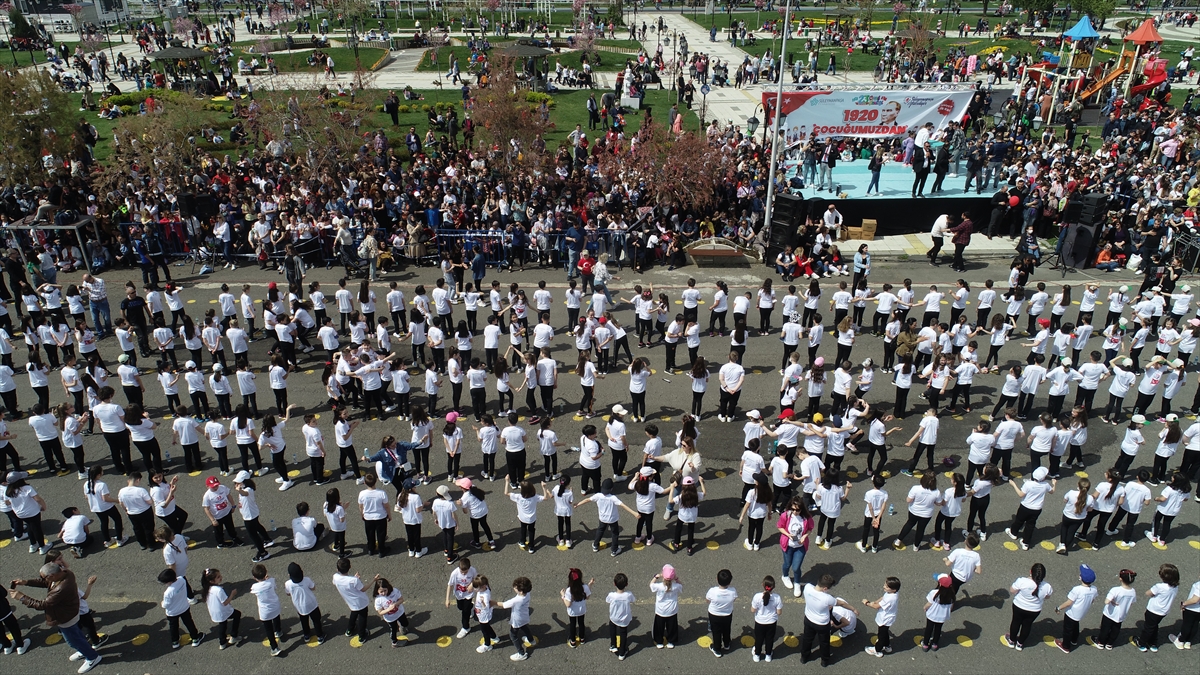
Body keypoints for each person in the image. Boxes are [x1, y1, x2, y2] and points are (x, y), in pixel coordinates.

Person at [9, 562, 103, 672]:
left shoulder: (60, 589)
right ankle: (85, 650)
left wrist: (21, 597)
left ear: (52, 576)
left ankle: (92, 657)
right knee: (77, 635)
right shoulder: (66, 574)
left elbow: (42, 605)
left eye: (43, 577)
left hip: (65, 618)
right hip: (70, 613)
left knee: (72, 641)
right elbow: (45, 583)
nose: (42, 579)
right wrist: (26, 582)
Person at [800, 574, 857, 666]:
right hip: (822, 624)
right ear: (825, 588)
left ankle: (804, 657)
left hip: (808, 619)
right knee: (824, 642)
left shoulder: (807, 587)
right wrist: (853, 609)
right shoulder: (827, 598)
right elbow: (841, 604)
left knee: (807, 639)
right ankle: (824, 660)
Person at [1004, 562, 1053, 650]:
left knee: (1016, 622)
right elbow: (1047, 596)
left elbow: (1012, 590)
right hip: (1034, 610)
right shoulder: (1047, 586)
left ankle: (1011, 641)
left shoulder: (1022, 581)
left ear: (1030, 571)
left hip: (1019, 606)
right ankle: (1020, 644)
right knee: (1027, 625)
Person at [1054, 564, 1098, 653]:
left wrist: (1059, 608)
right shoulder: (1094, 589)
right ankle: (1074, 640)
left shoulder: (1077, 589)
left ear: (1081, 578)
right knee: (1075, 625)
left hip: (1072, 613)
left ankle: (1065, 646)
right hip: (1081, 613)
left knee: (1068, 629)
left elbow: (1069, 602)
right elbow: (1092, 600)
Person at [1093, 568, 1137, 649]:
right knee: (1115, 629)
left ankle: (1101, 642)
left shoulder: (1115, 590)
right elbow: (1131, 603)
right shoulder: (1133, 591)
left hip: (1110, 613)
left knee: (1105, 628)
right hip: (1121, 614)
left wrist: (1112, 601)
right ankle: (1110, 643)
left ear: (1120, 579)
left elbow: (1106, 602)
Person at [496, 576, 533, 661]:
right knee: (524, 627)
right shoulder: (527, 594)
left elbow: (504, 605)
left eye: (515, 588)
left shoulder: (517, 600)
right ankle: (531, 640)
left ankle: (521, 653)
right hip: (524, 616)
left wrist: (493, 603)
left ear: (520, 591)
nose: (514, 588)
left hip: (517, 619)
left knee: (513, 635)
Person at [862, 576, 900, 658]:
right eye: (885, 584)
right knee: (885, 632)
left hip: (885, 619)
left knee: (881, 635)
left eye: (886, 586)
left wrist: (867, 603)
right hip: (889, 617)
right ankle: (887, 645)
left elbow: (876, 607)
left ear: (893, 589)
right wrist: (875, 601)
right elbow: (883, 597)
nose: (884, 587)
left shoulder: (890, 599)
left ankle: (877, 650)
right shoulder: (893, 593)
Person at [751, 576, 783, 662]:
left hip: (759, 622)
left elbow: (753, 610)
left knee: (759, 639)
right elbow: (779, 612)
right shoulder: (777, 597)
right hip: (771, 622)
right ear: (774, 587)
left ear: (763, 585)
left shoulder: (757, 596)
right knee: (769, 639)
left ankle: (757, 655)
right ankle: (768, 655)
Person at [921, 575, 955, 652]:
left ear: (940, 584)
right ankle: (934, 644)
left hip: (932, 615)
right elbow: (951, 607)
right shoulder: (952, 595)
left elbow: (929, 604)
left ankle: (926, 644)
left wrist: (925, 608)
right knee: (938, 629)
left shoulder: (934, 593)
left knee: (929, 629)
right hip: (942, 617)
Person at [605, 573, 634, 660]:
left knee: (612, 628)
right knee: (623, 633)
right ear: (626, 584)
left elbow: (607, 600)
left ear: (614, 584)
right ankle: (622, 653)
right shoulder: (628, 595)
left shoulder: (611, 595)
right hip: (624, 619)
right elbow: (633, 600)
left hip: (614, 617)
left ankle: (613, 644)